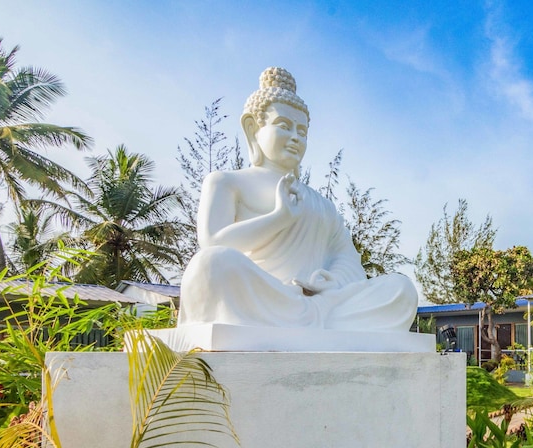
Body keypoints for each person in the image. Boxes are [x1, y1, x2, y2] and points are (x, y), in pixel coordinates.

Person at [177, 67, 417, 332]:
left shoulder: (321, 203)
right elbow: (213, 243)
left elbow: (347, 257)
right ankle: (305, 324)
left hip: (322, 303)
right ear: (253, 128)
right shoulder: (226, 181)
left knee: (401, 289)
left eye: (302, 132)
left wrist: (332, 281)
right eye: (284, 126)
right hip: (263, 295)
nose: (296, 137)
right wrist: (279, 218)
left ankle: (307, 321)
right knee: (210, 265)